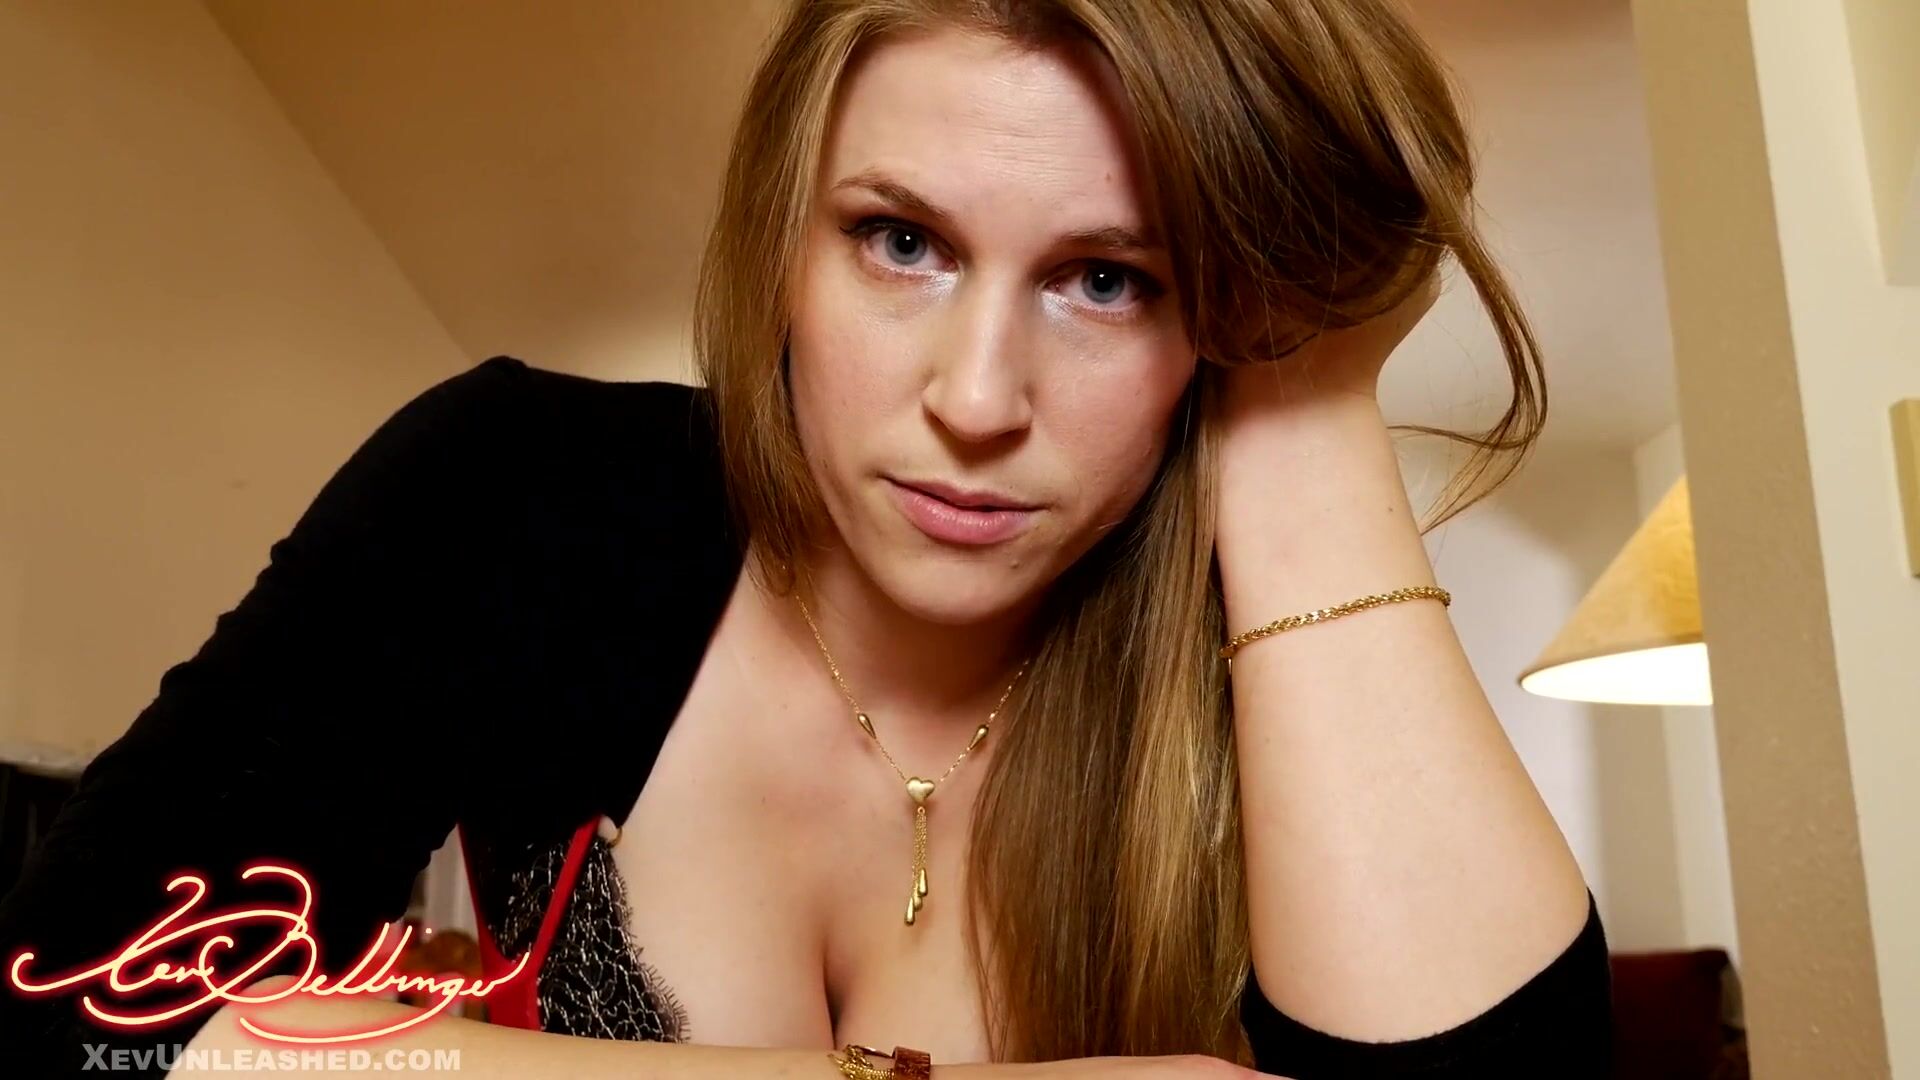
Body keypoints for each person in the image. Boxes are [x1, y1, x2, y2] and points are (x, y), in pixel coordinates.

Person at [0, 0, 1612, 1076]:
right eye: (902, 241)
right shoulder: (533, 498)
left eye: (1109, 278)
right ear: (785, 240)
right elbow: (78, 1009)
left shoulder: (1261, 664)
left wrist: (1303, 400)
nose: (976, 399)